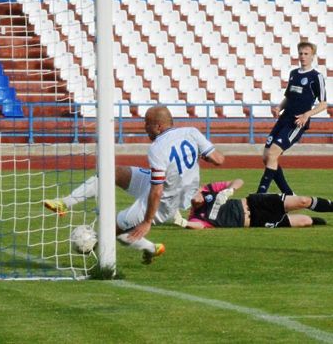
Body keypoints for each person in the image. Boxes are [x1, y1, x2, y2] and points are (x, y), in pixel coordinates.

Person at [44, 106, 225, 263]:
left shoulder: (157, 148)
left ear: (158, 126)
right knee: (113, 173)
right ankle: (64, 203)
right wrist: (198, 156)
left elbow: (157, 190)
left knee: (115, 227)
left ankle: (149, 248)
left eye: (147, 123)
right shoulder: (191, 132)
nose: (144, 127)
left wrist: (147, 221)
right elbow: (218, 159)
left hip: (165, 200)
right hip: (170, 186)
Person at [256, 42, 327, 195]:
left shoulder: (316, 77)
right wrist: (278, 108)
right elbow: (288, 97)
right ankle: (288, 194)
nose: (303, 56)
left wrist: (307, 115)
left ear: (312, 56)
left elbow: (323, 104)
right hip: (283, 119)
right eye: (301, 53)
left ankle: (260, 194)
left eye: (306, 54)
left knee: (273, 154)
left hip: (296, 122)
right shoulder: (294, 73)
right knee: (266, 157)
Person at [176, 179, 331, 229]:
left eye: (195, 192)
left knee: (303, 201)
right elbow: (197, 226)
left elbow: (238, 181)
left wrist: (229, 190)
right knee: (305, 221)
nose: (196, 197)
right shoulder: (196, 217)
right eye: (191, 198)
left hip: (256, 202)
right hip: (256, 220)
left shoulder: (208, 190)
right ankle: (315, 220)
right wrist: (183, 223)